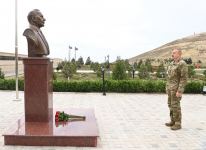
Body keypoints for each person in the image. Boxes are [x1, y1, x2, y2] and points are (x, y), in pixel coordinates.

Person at [165, 48, 188, 130]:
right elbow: (169, 77)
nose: (172, 54)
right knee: (170, 104)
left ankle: (178, 123)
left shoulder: (182, 64)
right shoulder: (172, 63)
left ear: (179, 54)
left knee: (176, 106)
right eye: (172, 53)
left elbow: (184, 78)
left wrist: (180, 91)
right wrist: (167, 87)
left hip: (176, 89)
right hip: (170, 88)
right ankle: (173, 121)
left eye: (174, 53)